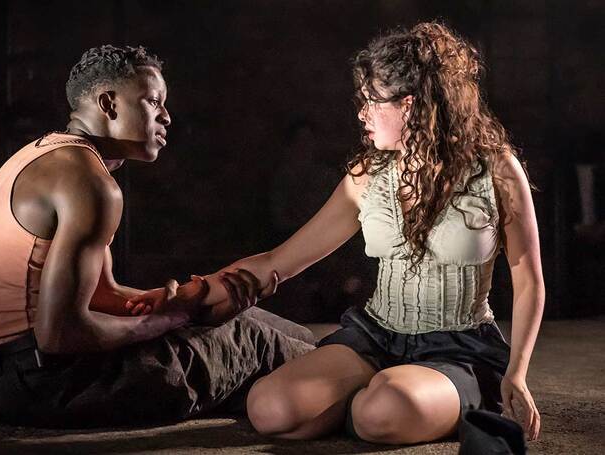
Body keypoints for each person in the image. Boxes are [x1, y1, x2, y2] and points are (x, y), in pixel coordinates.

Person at [129, 22, 544, 444]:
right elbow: (278, 262)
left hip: (458, 348)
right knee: (269, 407)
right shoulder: (368, 176)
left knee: (382, 411)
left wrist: (518, 372)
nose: (361, 113)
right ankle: (368, 397)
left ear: (411, 105)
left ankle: (405, 399)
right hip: (378, 336)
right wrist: (180, 298)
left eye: (371, 102)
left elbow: (528, 281)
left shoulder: (495, 170)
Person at [0, 44, 315, 428]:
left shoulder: (44, 155)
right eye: (153, 102)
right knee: (257, 340)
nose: (167, 117)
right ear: (109, 103)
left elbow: (102, 295)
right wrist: (164, 322)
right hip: (52, 385)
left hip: (3, 380)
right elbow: (60, 333)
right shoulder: (88, 182)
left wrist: (186, 304)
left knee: (277, 329)